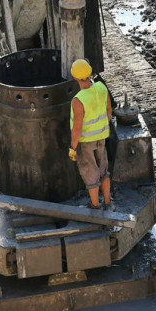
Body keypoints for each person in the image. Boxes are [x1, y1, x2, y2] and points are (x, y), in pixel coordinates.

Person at [67, 58, 112, 209]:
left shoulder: (78, 100)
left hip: (86, 142)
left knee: (90, 172)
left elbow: (77, 129)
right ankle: (107, 201)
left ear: (74, 77)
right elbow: (109, 112)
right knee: (104, 170)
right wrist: (101, 129)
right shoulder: (101, 87)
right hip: (102, 137)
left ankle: (95, 205)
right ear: (90, 72)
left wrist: (73, 148)